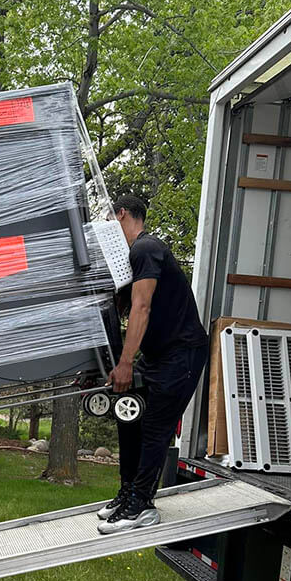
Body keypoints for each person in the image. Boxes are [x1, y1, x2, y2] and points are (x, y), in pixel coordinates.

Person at [97, 196, 208, 535]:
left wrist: (126, 364)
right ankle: (129, 491)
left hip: (182, 353)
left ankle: (142, 505)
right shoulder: (130, 259)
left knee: (155, 428)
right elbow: (117, 311)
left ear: (122, 214)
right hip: (158, 355)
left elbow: (141, 308)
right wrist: (104, 367)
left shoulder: (146, 249)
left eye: (108, 220)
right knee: (129, 419)